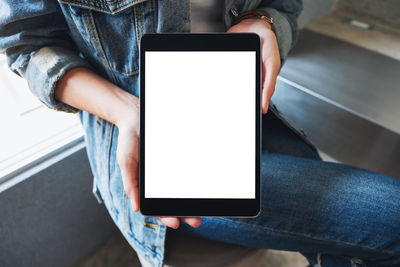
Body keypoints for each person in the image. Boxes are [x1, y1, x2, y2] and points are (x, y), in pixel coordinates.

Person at [1, 0, 400, 266]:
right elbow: (27, 46)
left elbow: (285, 3)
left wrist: (266, 23)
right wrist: (127, 112)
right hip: (151, 147)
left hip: (248, 114)